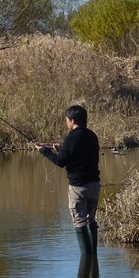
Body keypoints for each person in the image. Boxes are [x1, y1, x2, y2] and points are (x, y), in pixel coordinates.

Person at [35, 105, 100, 255]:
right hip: (94, 185)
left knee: (79, 221)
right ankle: (93, 255)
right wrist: (62, 149)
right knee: (92, 219)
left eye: (67, 120)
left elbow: (60, 162)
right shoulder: (92, 135)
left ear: (72, 120)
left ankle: (86, 257)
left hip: (78, 187)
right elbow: (79, 154)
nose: (67, 123)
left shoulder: (71, 138)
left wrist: (44, 151)